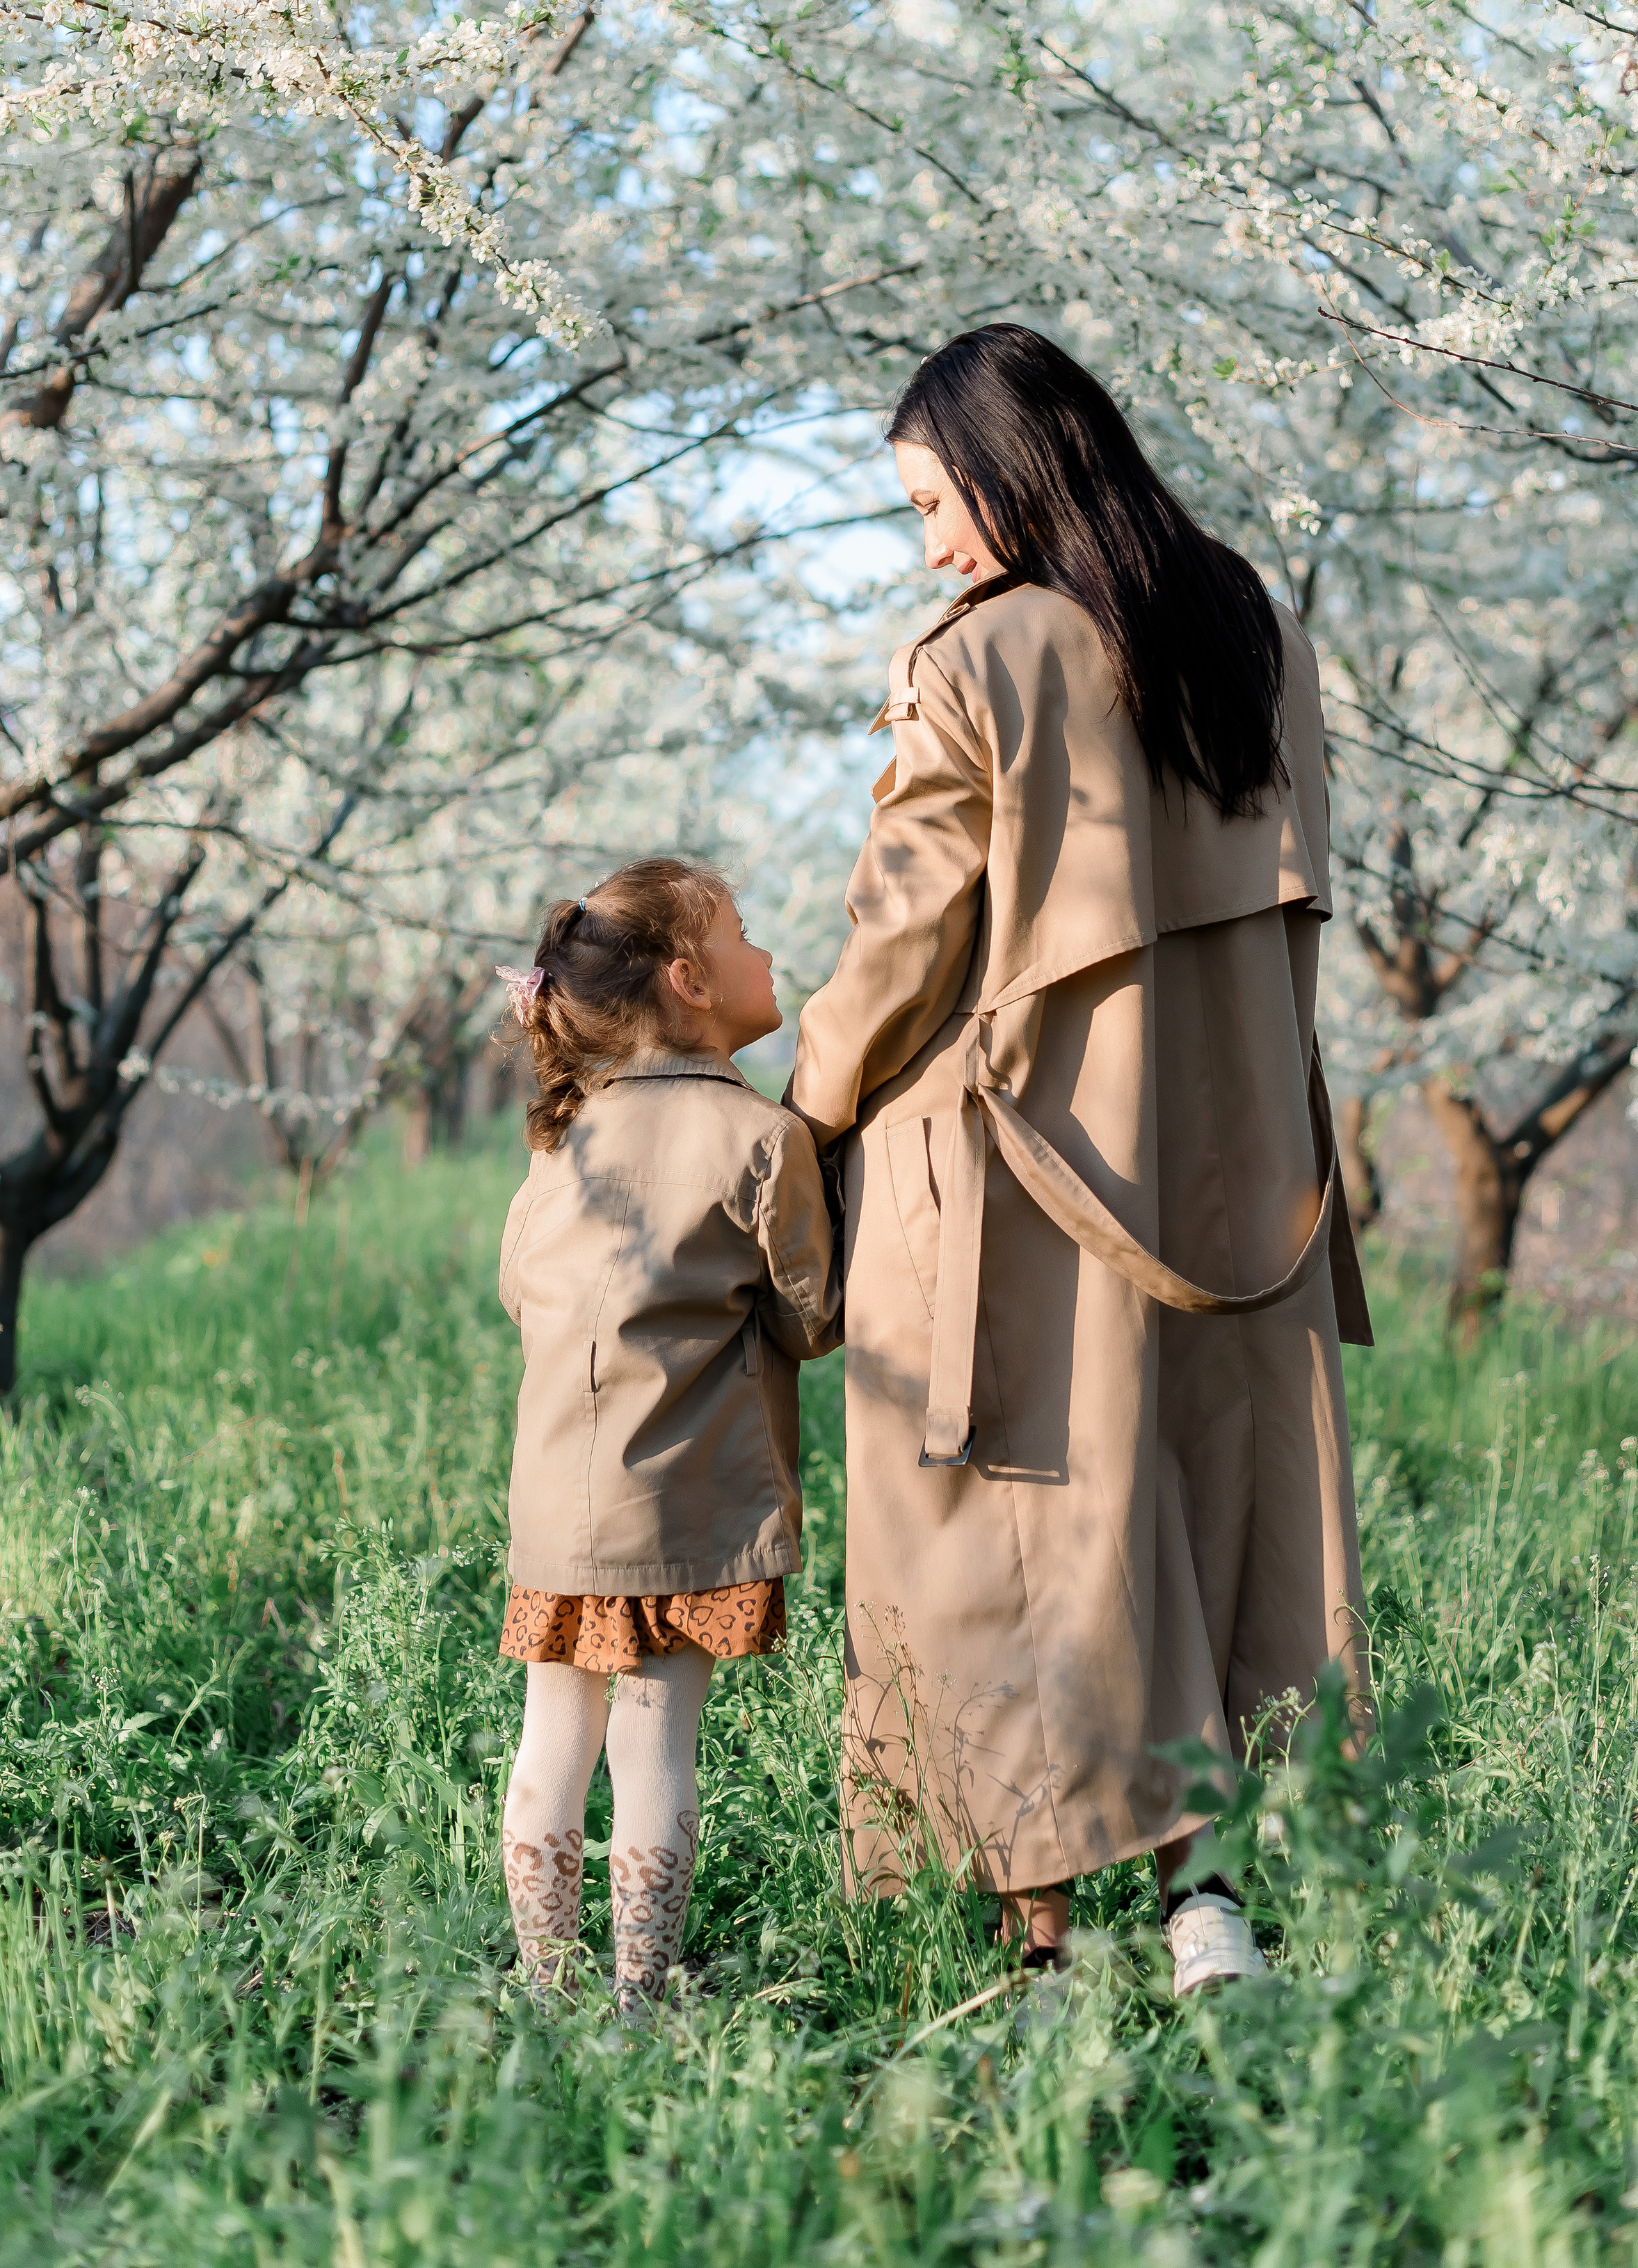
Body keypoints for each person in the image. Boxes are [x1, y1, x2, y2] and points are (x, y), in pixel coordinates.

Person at [788, 324, 1372, 1997]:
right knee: (1204, 1508)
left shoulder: (979, 661)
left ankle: (1034, 1952)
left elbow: (905, 938)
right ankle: (1211, 1905)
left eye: (932, 501)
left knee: (1005, 1535)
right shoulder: (1247, 629)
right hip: (1224, 1161)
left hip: (1008, 1172)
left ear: (1014, 461)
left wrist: (809, 1109)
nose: (930, 545)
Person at [493, 859, 842, 2013]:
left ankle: (547, 1993)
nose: (769, 953)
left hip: (555, 1502)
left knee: (552, 1745)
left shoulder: (564, 1133)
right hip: (682, 1506)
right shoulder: (758, 1135)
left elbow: (518, 1289)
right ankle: (641, 1995)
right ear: (690, 980)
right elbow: (812, 1318)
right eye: (745, 935)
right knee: (655, 1749)